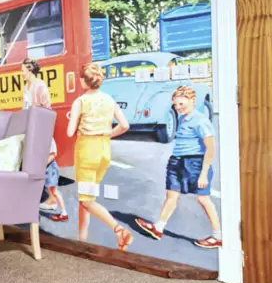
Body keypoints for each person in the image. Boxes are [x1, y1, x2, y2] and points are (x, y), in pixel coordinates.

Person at [135, 86, 222, 248]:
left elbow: (210, 148)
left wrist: (203, 173)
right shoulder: (182, 119)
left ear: (193, 101)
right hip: (177, 161)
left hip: (195, 163)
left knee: (203, 198)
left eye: (181, 104)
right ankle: (158, 228)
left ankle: (218, 236)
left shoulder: (201, 121)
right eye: (175, 105)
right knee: (171, 195)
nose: (178, 108)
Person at [68, 62, 133, 251]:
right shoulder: (109, 99)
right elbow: (125, 125)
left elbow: (70, 132)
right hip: (104, 149)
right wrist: (107, 134)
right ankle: (82, 240)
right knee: (87, 197)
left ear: (83, 80)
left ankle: (118, 230)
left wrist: (73, 120)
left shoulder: (80, 102)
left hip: (87, 151)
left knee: (86, 200)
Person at [39, 138, 68, 221]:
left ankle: (64, 213)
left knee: (54, 191)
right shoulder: (45, 139)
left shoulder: (50, 140)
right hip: (48, 169)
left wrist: (41, 165)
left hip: (51, 169)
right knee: (52, 190)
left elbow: (52, 155)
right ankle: (53, 204)